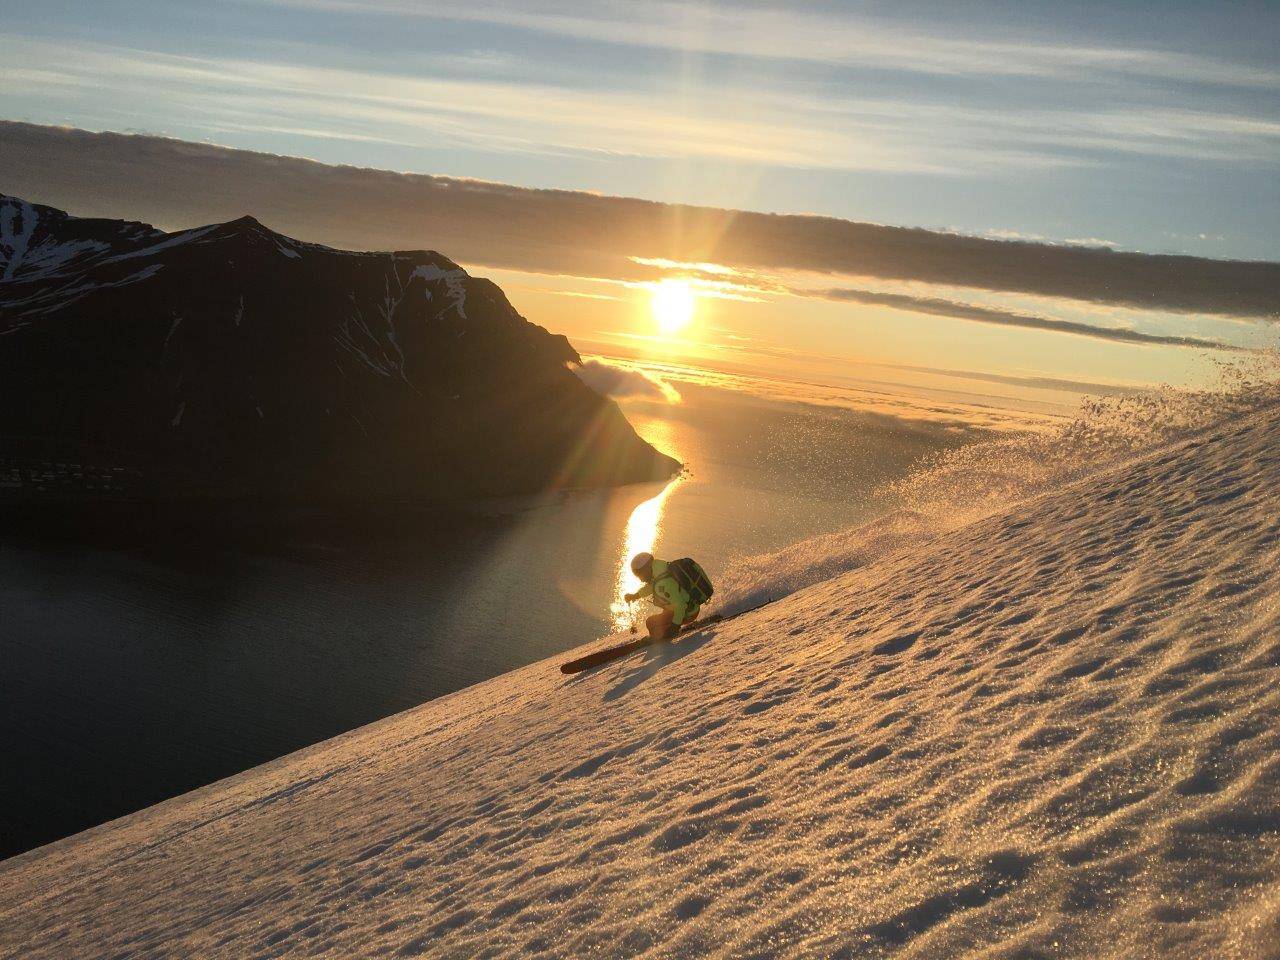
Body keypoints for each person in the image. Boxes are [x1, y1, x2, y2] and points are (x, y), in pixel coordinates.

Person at [623, 551, 709, 640]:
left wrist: (675, 626)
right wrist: (635, 596)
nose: (641, 579)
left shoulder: (664, 583)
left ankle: (660, 637)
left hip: (688, 613)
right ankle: (663, 632)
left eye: (640, 575)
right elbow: (650, 587)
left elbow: (681, 605)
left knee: (651, 623)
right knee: (655, 621)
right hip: (688, 609)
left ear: (647, 569)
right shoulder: (660, 573)